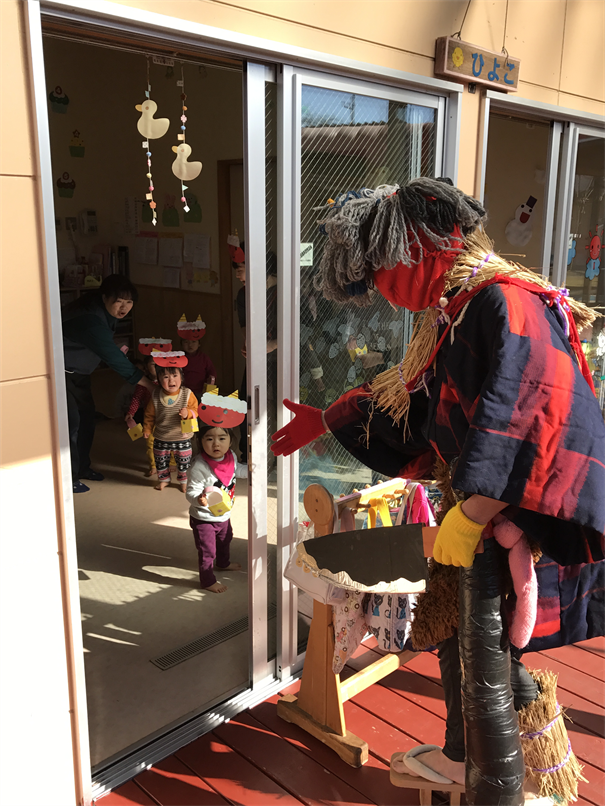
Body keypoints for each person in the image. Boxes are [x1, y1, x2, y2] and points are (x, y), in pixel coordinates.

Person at [272, 178, 605, 805]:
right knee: (458, 634)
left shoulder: (503, 300)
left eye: (380, 272)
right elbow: (417, 400)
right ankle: (464, 758)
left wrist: (475, 512)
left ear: (421, 245)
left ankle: (503, 783)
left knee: (487, 655)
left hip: (507, 514)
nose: (382, 291)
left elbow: (533, 414)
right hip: (474, 508)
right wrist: (332, 418)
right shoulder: (455, 309)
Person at [62, 274, 153, 493]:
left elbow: (106, 348)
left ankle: (83, 468)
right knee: (72, 424)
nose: (124, 307)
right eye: (119, 301)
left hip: (79, 373)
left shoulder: (100, 309)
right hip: (62, 373)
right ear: (104, 297)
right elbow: (113, 358)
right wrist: (150, 385)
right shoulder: (90, 319)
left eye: (129, 302)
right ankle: (68, 477)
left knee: (86, 419)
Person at [186, 425, 247, 593]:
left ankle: (223, 563)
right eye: (209, 438)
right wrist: (199, 500)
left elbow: (238, 470)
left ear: (231, 440)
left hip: (223, 514)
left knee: (225, 539)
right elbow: (190, 492)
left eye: (221, 438)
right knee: (208, 551)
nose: (216, 444)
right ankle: (207, 581)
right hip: (203, 518)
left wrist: (251, 470)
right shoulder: (199, 466)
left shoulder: (231, 456)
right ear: (200, 441)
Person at [142, 360, 198, 492]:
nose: (171, 380)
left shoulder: (187, 393)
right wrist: (147, 428)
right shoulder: (156, 395)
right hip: (161, 437)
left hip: (182, 437)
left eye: (175, 376)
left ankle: (183, 481)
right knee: (160, 461)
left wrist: (188, 413)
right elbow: (149, 415)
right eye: (166, 377)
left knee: (184, 462)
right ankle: (164, 480)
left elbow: (196, 410)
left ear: (181, 378)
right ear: (159, 379)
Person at [181, 337, 216, 401]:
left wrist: (211, 380)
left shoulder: (204, 358)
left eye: (193, 342)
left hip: (201, 390)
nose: (190, 345)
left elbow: (211, 371)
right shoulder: (180, 358)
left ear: (199, 344)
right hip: (184, 390)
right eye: (186, 342)